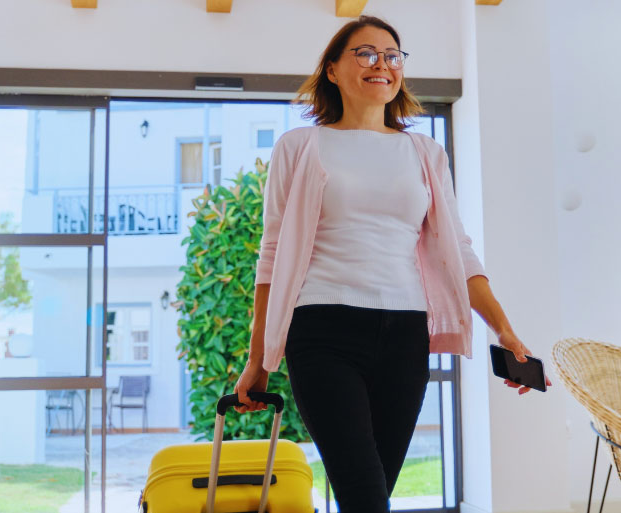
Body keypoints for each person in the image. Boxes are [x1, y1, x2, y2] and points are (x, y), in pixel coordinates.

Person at [233, 15, 552, 512]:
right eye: (365, 53)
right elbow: (271, 257)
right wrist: (259, 360)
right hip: (322, 332)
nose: (381, 64)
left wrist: (504, 330)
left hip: (404, 334)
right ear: (333, 70)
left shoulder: (424, 152)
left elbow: (458, 249)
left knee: (373, 491)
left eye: (392, 55)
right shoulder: (299, 147)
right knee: (365, 496)